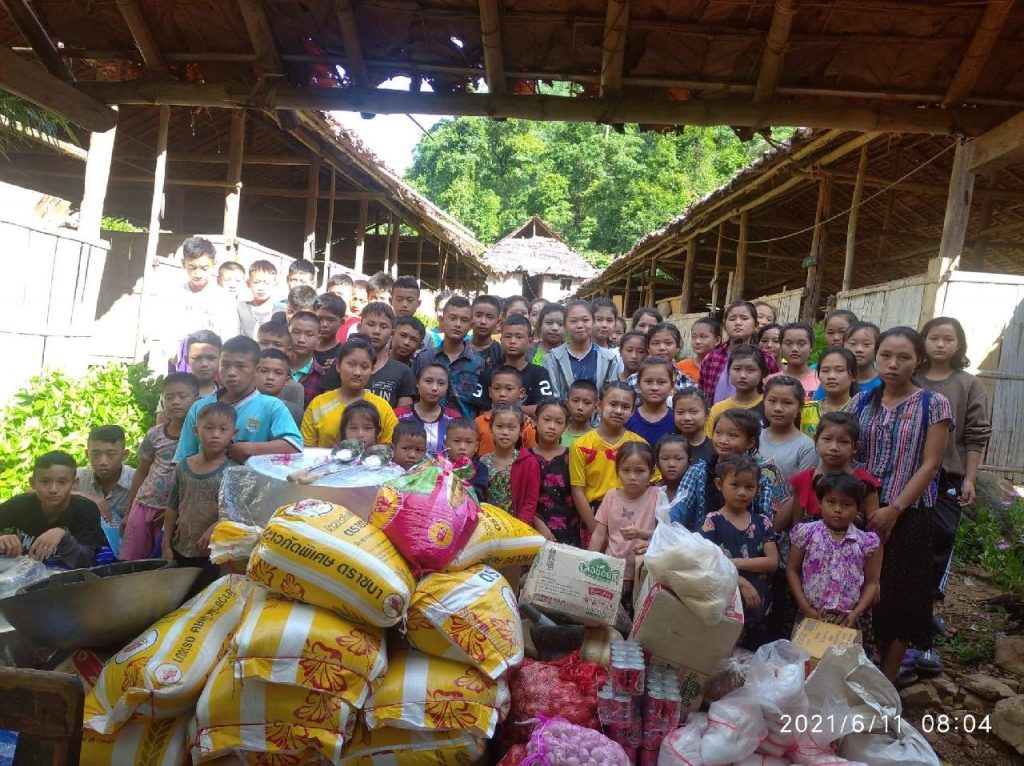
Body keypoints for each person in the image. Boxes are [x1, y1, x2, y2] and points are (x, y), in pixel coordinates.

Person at [847, 326, 952, 682]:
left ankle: (887, 683)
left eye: (904, 357)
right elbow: (847, 449)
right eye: (886, 356)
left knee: (902, 596)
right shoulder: (860, 401)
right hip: (858, 512)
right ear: (875, 357)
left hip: (909, 513)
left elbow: (931, 463)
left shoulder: (932, 403)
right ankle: (856, 672)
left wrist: (894, 510)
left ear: (918, 360)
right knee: (857, 592)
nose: (893, 364)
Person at [914, 316, 991, 638]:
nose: (941, 344)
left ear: (958, 344)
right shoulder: (912, 378)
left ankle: (930, 607)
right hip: (908, 473)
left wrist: (970, 478)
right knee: (906, 541)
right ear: (924, 341)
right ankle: (903, 605)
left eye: (948, 338)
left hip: (949, 476)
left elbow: (977, 434)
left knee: (941, 539)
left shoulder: (969, 384)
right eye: (934, 337)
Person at [787, 472, 882, 653]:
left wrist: (855, 614)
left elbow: (871, 582)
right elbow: (792, 569)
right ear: (820, 503)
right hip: (811, 615)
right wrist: (805, 607)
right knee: (804, 663)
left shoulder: (867, 542)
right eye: (831, 502)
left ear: (859, 508)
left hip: (847, 620)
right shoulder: (806, 533)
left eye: (846, 504)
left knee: (841, 669)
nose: (838, 509)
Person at [174, 336, 303, 463]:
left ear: (256, 369)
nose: (231, 372)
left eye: (240, 366)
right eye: (225, 365)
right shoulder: (200, 406)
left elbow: (294, 446)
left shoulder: (272, 406)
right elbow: (182, 459)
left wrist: (249, 449)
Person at [701, 454, 779, 650]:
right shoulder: (712, 522)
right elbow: (707, 564)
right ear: (720, 484)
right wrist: (740, 581)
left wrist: (734, 563)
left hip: (758, 608)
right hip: (724, 607)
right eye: (735, 485)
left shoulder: (763, 522)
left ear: (757, 489)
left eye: (749, 487)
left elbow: (772, 561)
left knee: (751, 661)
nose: (742, 492)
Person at [669, 408, 788, 531]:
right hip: (701, 545)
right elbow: (678, 511)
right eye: (718, 432)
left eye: (732, 435)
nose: (723, 440)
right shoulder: (698, 472)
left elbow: (764, 523)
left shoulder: (760, 480)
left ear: (750, 442)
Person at [121, 373, 199, 560]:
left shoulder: (200, 437)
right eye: (169, 397)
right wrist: (128, 510)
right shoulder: (155, 434)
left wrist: (176, 511)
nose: (175, 402)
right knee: (131, 561)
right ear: (162, 402)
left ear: (196, 401)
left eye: (182, 396)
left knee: (161, 563)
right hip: (143, 504)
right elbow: (141, 472)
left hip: (172, 511)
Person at [162, 402, 237, 590]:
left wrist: (216, 526)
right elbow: (172, 507)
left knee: (205, 600)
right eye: (209, 428)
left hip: (213, 553)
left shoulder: (234, 471)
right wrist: (166, 545)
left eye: (223, 429)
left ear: (233, 433)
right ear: (196, 431)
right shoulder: (183, 467)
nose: (215, 434)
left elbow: (236, 513)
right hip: (181, 547)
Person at [569, 381, 647, 542]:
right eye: (613, 404)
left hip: (632, 517)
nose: (618, 411)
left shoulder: (639, 445)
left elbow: (651, 485)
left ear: (632, 411)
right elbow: (578, 491)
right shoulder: (581, 445)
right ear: (599, 405)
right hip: (594, 515)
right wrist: (597, 530)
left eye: (625, 407)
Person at [0, 451, 106, 568]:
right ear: (33, 483)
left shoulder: (86, 510)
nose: (53, 489)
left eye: (62, 482)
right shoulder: (19, 504)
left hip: (65, 581)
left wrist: (63, 536)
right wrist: (2, 538)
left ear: (74, 483)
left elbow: (85, 561)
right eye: (45, 482)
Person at [589, 442, 659, 613]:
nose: (632, 476)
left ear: (651, 472)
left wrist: (643, 534)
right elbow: (599, 534)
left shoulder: (657, 496)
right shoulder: (611, 497)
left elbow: (665, 534)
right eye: (626, 470)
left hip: (642, 574)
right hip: (611, 572)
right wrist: (589, 563)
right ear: (617, 471)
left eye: (640, 471)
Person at [151, 236, 237, 373]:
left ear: (214, 264)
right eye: (192, 267)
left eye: (204, 268)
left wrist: (224, 358)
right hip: (182, 354)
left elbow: (230, 331)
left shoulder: (223, 298)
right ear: (183, 263)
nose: (198, 274)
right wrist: (172, 352)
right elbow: (166, 326)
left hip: (214, 356)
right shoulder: (173, 294)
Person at [786, 412, 880, 527]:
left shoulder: (865, 483)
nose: (834, 447)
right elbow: (798, 528)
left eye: (843, 442)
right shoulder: (803, 480)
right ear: (816, 440)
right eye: (827, 439)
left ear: (855, 447)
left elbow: (875, 533)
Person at [303, 338, 398, 447]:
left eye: (364, 367)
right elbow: (307, 449)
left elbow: (388, 448)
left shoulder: (383, 408)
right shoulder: (318, 404)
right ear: (338, 366)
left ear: (372, 370)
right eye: (351, 364)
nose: (357, 372)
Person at [413, 296, 484, 418]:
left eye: (464, 320)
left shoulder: (478, 363)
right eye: (452, 318)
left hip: (464, 431)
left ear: (471, 325)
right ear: (441, 320)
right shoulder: (425, 359)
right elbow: (413, 396)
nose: (457, 324)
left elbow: (481, 405)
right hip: (427, 430)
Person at [700, 300, 780, 404]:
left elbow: (774, 394)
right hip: (715, 418)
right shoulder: (711, 358)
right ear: (724, 326)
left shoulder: (766, 359)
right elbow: (702, 394)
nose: (738, 323)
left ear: (756, 325)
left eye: (744, 318)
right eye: (732, 319)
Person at [477, 314, 554, 418]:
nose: (512, 341)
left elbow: (544, 408)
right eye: (508, 336)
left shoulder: (539, 373)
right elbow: (483, 412)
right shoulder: (488, 374)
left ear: (530, 341)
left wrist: (507, 410)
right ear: (501, 339)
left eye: (519, 337)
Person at [531, 399, 580, 546]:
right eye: (547, 420)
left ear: (566, 427)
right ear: (535, 421)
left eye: (559, 422)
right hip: (535, 531)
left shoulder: (573, 456)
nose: (552, 426)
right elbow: (522, 499)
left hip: (570, 532)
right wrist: (538, 524)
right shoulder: (525, 458)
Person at [481, 404, 540, 525]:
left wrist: (519, 529)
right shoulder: (482, 462)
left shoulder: (528, 463)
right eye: (500, 426)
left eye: (511, 428)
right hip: (486, 528)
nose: (505, 432)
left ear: (521, 430)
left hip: (516, 530)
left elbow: (530, 502)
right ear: (491, 427)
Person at [545, 300, 619, 396]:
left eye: (585, 320)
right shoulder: (553, 358)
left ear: (593, 322)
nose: (580, 325)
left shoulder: (609, 358)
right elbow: (553, 396)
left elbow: (611, 395)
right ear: (565, 326)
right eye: (573, 321)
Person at [75, 425, 134, 529]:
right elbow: (37, 492)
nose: (103, 462)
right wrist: (82, 495)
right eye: (96, 454)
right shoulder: (77, 477)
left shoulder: (138, 481)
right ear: (87, 454)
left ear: (125, 455)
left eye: (111, 454)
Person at [395, 363, 460, 456]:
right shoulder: (398, 415)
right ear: (417, 383)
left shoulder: (454, 419)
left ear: (447, 387)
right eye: (428, 381)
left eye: (441, 383)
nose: (434, 388)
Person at [759, 377, 817, 481]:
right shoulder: (753, 438)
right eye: (772, 401)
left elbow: (802, 489)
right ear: (764, 402)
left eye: (787, 403)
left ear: (800, 407)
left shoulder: (806, 447)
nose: (778, 408)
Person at [359, 303, 415, 409]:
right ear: (360, 326)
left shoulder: (402, 371)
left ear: (392, 333)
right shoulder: (344, 365)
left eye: (383, 326)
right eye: (371, 324)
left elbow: (404, 417)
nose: (376, 331)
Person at [706, 345, 769, 436]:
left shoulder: (769, 405)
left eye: (750, 370)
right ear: (729, 372)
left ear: (762, 373)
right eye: (737, 369)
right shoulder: (718, 409)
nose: (742, 375)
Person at [475, 366, 538, 456]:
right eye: (497, 388)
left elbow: (532, 457)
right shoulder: (479, 423)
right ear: (489, 392)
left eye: (509, 389)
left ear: (521, 393)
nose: (502, 394)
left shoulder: (526, 425)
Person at [629, 323, 698, 397]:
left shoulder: (687, 384)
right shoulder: (633, 382)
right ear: (648, 348)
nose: (662, 347)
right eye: (655, 343)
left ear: (678, 347)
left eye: (668, 343)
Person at [802, 348, 858, 436]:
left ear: (854, 375)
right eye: (825, 371)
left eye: (839, 370)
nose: (831, 376)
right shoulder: (804, 410)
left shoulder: (860, 412)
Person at [256, 321, 306, 416]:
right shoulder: (246, 379)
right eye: (264, 343)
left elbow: (295, 416)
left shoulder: (295, 388)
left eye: (277, 345)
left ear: (288, 350)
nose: (270, 348)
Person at [626, 358, 677, 446]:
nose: (654, 387)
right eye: (648, 382)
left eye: (661, 382)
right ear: (638, 384)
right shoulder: (627, 418)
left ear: (672, 386)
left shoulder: (677, 420)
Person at [768, 323, 818, 400]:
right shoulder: (770, 381)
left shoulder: (820, 379)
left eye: (801, 344)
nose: (794, 349)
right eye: (788, 343)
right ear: (781, 347)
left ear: (811, 347)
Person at [443, 418, 488, 501]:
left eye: (469, 442)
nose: (462, 447)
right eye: (457, 441)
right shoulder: (439, 466)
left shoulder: (480, 469)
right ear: (445, 444)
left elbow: (477, 493)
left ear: (476, 447)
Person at [256, 348, 303, 426]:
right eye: (264, 371)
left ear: (287, 380)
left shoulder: (293, 412)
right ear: (254, 372)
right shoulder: (242, 403)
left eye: (278, 373)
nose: (270, 377)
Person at [288, 311, 325, 408]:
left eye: (309, 334)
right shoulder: (275, 368)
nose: (301, 339)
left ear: (318, 339)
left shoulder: (321, 376)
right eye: (296, 332)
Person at [835, 320, 882, 399]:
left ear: (878, 348)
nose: (859, 349)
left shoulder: (884, 383)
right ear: (843, 346)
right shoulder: (832, 380)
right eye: (852, 344)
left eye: (866, 344)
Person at [237, 260, 279, 338]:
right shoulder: (240, 308)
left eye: (266, 283)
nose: (261, 288)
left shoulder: (281, 313)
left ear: (275, 284)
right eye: (256, 282)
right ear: (248, 283)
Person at [674, 389, 714, 465]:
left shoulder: (715, 449)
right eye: (680, 412)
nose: (686, 418)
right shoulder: (667, 447)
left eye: (693, 412)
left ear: (707, 414)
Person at [468, 295, 505, 370]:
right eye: (478, 315)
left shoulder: (502, 353)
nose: (483, 321)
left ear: (498, 322)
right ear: (471, 317)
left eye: (489, 317)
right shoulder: (459, 348)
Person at [680, 317, 721, 384]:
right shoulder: (681, 366)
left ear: (717, 340)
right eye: (694, 337)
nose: (697, 341)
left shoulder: (723, 367)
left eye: (703, 337)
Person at [184, 330, 222, 399]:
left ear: (221, 359)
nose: (204, 364)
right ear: (187, 360)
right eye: (197, 358)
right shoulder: (174, 395)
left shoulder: (228, 395)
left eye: (211, 358)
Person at [313, 293, 347, 370]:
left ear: (342, 322)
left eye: (331, 320)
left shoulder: (344, 354)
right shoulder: (305, 347)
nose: (324, 324)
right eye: (320, 318)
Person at [655, 434, 689, 504]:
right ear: (657, 463)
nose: (671, 464)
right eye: (665, 458)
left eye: (678, 459)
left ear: (689, 462)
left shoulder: (694, 492)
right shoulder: (651, 492)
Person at [564, 379, 599, 447]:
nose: (580, 407)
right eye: (575, 401)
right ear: (566, 403)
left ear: (596, 407)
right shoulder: (557, 434)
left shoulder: (598, 439)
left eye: (587, 403)